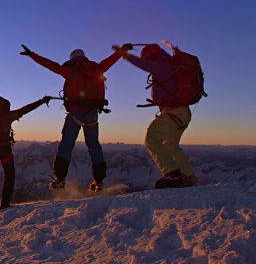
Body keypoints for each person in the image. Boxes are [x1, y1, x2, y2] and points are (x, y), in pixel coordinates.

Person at [20, 44, 130, 191]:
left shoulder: (69, 71)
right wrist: (123, 50)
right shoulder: (97, 68)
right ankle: (99, 181)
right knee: (94, 146)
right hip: (92, 113)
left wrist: (32, 55)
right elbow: (111, 60)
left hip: (75, 113)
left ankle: (60, 178)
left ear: (72, 59)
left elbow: (51, 65)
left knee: (67, 144)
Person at [112, 43, 198, 188]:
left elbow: (144, 65)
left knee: (151, 139)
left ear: (151, 56)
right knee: (171, 145)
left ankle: (173, 175)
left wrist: (124, 55)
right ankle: (189, 177)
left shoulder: (162, 65)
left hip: (174, 112)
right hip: (182, 113)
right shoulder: (170, 64)